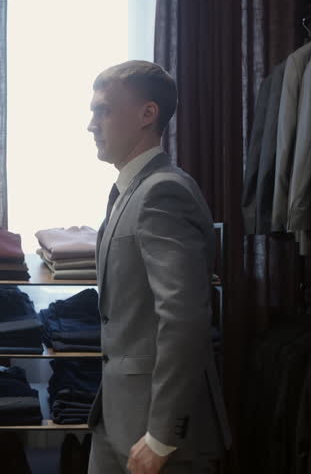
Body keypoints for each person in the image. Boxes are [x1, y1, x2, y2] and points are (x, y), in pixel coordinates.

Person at [86, 60, 231, 474]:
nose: (91, 125)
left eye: (103, 110)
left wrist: (162, 434)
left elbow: (184, 318)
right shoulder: (130, 192)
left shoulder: (162, 192)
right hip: (116, 422)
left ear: (147, 114)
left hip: (158, 438)